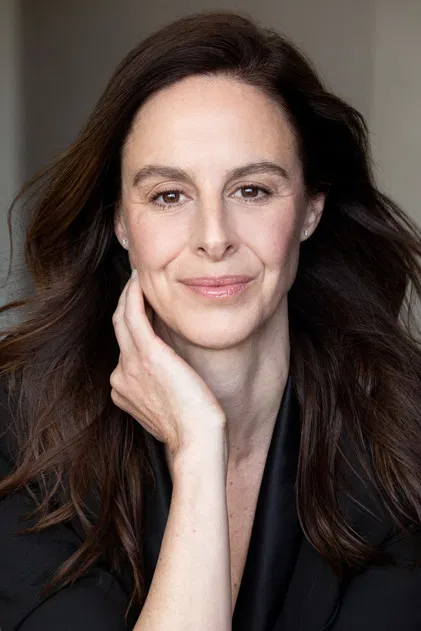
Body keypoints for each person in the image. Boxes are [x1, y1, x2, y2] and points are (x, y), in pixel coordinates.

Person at [1, 9, 421, 631]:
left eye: (252, 190)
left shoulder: (403, 437)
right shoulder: (18, 434)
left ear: (310, 209)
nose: (214, 237)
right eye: (169, 195)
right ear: (121, 222)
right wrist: (199, 451)